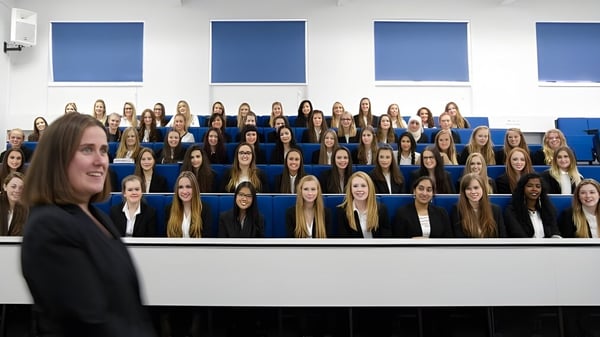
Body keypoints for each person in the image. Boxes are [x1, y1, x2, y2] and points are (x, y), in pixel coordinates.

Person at [21, 113, 155, 336]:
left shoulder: (96, 216)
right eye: (87, 149)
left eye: (103, 150)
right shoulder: (48, 226)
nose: (100, 160)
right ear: (57, 158)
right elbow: (91, 322)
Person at [504, 173, 561, 238]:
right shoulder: (512, 211)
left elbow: (555, 232)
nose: (534, 189)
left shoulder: (548, 209)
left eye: (538, 186)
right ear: (522, 188)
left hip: (548, 246)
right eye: (529, 186)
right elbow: (517, 234)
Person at [337, 172, 391, 238]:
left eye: (363, 186)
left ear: (369, 188)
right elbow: (344, 241)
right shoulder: (342, 211)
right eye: (355, 186)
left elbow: (386, 239)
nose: (359, 189)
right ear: (350, 189)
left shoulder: (381, 209)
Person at [451, 173, 506, 238]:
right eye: (468, 188)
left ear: (483, 188)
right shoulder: (457, 210)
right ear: (464, 192)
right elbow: (459, 238)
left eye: (476, 188)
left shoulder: (495, 210)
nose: (473, 191)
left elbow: (502, 237)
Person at [165, 171, 211, 238]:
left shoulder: (204, 209)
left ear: (195, 189)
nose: (184, 191)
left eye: (188, 187)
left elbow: (207, 239)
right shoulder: (169, 209)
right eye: (180, 187)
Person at [0, 172, 27, 236]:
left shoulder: (27, 208)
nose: (17, 190)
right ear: (5, 187)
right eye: (13, 187)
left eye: (21, 188)